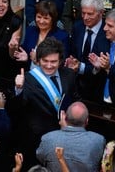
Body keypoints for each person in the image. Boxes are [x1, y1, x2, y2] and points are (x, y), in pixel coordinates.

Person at [15, 37, 77, 170]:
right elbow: (17, 109)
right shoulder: (28, 79)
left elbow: (75, 99)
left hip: (64, 135)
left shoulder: (69, 75)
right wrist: (18, 89)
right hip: (37, 138)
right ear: (38, 60)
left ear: (60, 61)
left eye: (53, 61)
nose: (49, 65)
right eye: (45, 61)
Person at [36, 101, 105, 171]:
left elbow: (40, 158)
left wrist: (63, 129)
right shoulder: (98, 141)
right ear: (87, 121)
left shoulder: (48, 138)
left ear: (65, 117)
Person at [65, 0, 110, 102]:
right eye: (83, 13)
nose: (85, 17)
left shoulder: (107, 32)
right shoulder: (78, 26)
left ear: (101, 13)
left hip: (98, 87)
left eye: (90, 14)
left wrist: (81, 67)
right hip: (77, 85)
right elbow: (73, 51)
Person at [21, 0, 69, 69]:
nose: (41, 21)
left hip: (50, 77)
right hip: (30, 74)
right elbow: (25, 52)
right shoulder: (30, 30)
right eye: (39, 17)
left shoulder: (62, 37)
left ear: (53, 19)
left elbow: (62, 63)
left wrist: (37, 60)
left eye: (46, 18)